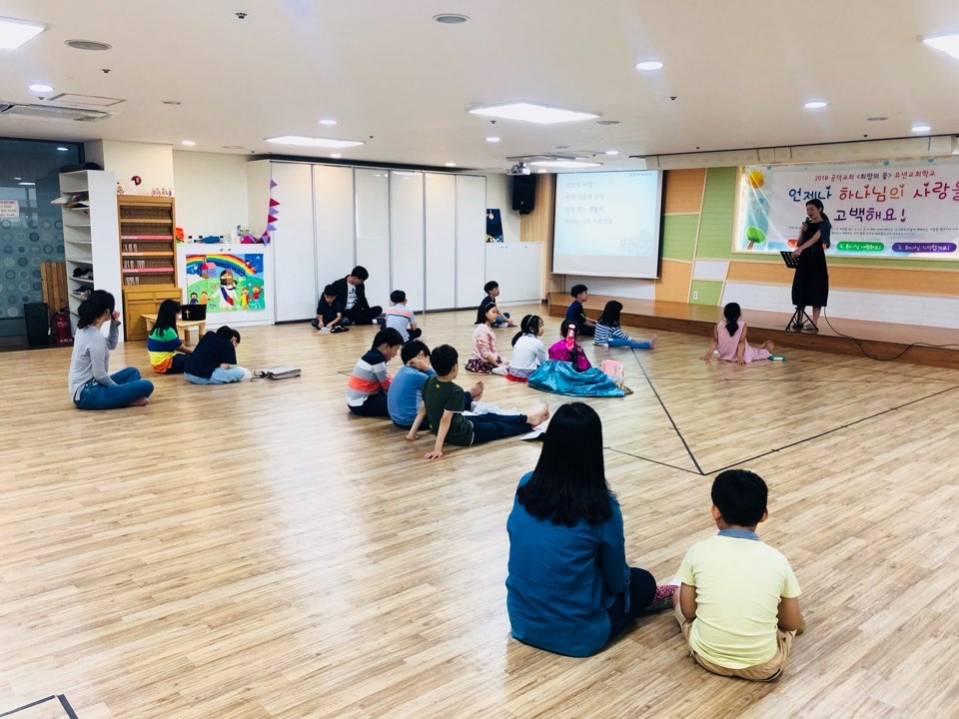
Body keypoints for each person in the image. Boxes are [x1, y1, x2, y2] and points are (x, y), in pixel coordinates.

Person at [506, 403, 674, 657]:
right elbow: (616, 582)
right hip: (578, 635)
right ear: (594, 449)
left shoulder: (526, 484)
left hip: (522, 621)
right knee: (643, 582)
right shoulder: (602, 506)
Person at [670, 469, 803, 681]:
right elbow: (791, 624)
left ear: (715, 511)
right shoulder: (778, 560)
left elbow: (689, 611)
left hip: (707, 658)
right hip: (764, 668)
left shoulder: (698, 551)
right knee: (791, 618)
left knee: (678, 593)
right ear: (764, 515)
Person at [406, 344, 549, 459]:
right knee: (500, 427)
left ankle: (529, 418)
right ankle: (530, 423)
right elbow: (445, 419)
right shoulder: (454, 390)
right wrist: (437, 449)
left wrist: (412, 433)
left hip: (459, 425)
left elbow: (423, 409)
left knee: (490, 416)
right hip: (464, 435)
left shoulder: (430, 380)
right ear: (454, 367)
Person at [68, 289, 154, 409]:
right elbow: (100, 375)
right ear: (107, 311)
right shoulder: (95, 336)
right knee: (148, 385)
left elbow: (110, 344)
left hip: (88, 387)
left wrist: (114, 325)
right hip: (88, 393)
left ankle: (123, 399)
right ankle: (126, 400)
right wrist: (117, 389)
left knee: (133, 372)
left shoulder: (83, 328)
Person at [387, 340, 483, 429]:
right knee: (451, 400)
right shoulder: (417, 376)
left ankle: (468, 401)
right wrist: (426, 368)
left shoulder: (403, 371)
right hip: (412, 421)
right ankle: (469, 396)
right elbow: (442, 381)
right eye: (428, 360)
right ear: (421, 354)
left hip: (397, 421)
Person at [790, 199, 831, 331]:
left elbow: (814, 240)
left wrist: (800, 249)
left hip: (816, 261)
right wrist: (801, 232)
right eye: (807, 210)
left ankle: (814, 322)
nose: (809, 212)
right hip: (804, 261)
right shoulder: (806, 224)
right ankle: (799, 320)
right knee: (801, 288)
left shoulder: (824, 224)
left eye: (812, 209)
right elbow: (799, 243)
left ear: (820, 209)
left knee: (816, 290)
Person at [346, 327, 404, 417]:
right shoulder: (377, 360)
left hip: (355, 402)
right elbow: (387, 386)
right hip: (362, 404)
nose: (395, 354)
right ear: (386, 346)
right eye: (396, 349)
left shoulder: (371, 355)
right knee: (400, 404)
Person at [702, 302, 774, 364]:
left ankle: (760, 348)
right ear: (739, 314)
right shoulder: (742, 325)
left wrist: (708, 355)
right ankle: (766, 349)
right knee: (758, 353)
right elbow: (741, 342)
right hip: (742, 353)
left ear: (725, 314)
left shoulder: (718, 325)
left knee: (753, 351)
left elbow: (715, 341)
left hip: (724, 355)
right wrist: (740, 357)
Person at [183, 326, 251, 385]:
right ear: (234, 339)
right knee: (240, 372)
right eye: (236, 345)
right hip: (199, 377)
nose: (235, 347)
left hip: (187, 373)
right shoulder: (228, 344)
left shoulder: (208, 335)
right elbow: (223, 368)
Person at [147, 298, 193, 374]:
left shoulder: (157, 328)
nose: (178, 317)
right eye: (177, 314)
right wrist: (194, 353)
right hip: (166, 365)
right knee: (194, 359)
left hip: (157, 365)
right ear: (171, 315)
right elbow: (181, 348)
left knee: (186, 357)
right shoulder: (168, 330)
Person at [466, 306, 509, 375]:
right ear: (485, 313)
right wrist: (497, 365)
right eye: (493, 312)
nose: (496, 315)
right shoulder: (483, 330)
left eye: (496, 313)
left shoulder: (485, 327)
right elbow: (485, 354)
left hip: (485, 356)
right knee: (506, 366)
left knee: (506, 362)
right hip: (482, 360)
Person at [508, 314, 547, 380]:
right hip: (526, 373)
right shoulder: (538, 343)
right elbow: (543, 362)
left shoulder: (520, 338)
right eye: (540, 326)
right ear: (531, 329)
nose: (542, 328)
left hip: (512, 370)